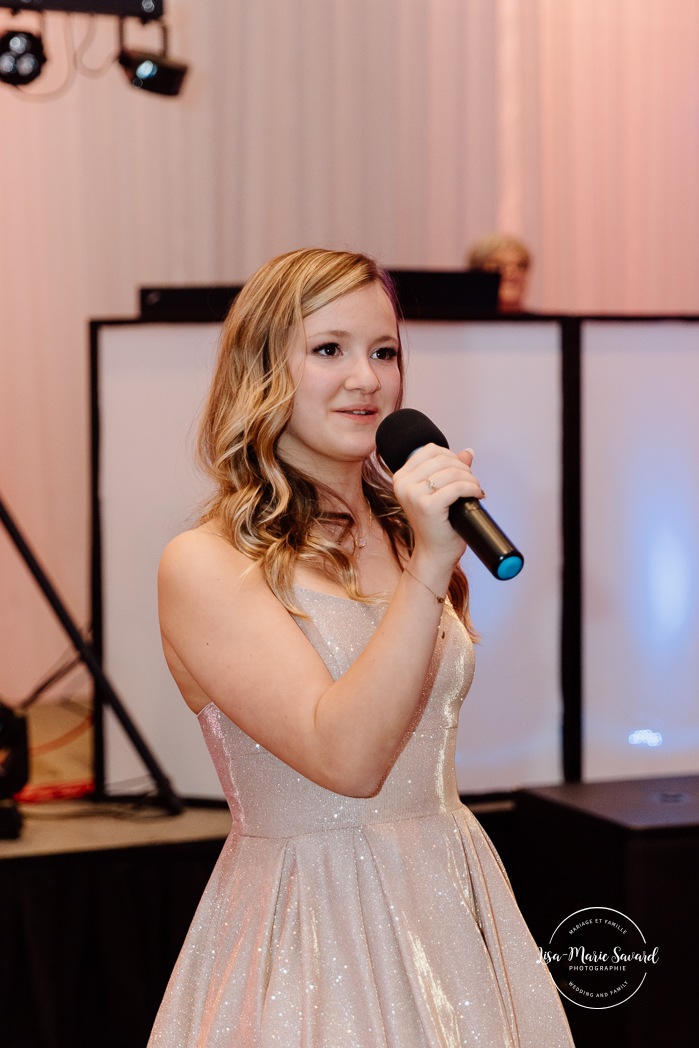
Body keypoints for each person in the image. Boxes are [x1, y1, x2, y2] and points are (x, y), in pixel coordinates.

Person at [148, 248, 573, 1047]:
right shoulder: (204, 562)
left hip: (450, 899)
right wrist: (429, 570)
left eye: (384, 352)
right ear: (262, 369)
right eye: (328, 350)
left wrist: (426, 556)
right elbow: (345, 759)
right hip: (309, 925)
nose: (367, 380)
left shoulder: (411, 537)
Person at [467, 233, 532, 313]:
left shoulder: (542, 324)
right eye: (498, 267)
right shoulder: (459, 323)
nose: (513, 273)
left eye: (520, 266)